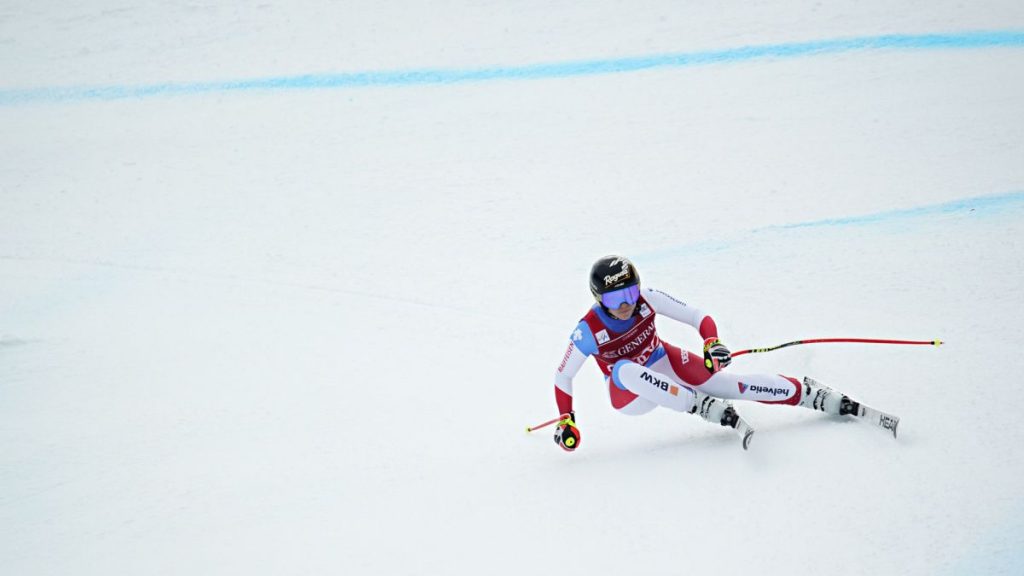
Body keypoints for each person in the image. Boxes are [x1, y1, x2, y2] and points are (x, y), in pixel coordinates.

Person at [551, 255, 868, 452]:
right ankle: (697, 404)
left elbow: (697, 316)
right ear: (599, 299)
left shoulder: (648, 299)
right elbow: (563, 375)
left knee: (726, 385)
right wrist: (567, 419)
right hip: (631, 394)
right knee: (623, 369)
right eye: (616, 298)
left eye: (630, 293)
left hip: (663, 362)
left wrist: (710, 342)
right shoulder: (588, 330)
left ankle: (808, 394)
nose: (626, 305)